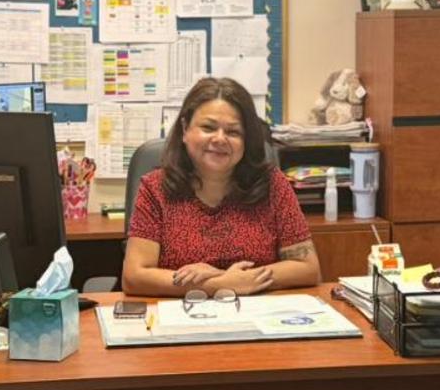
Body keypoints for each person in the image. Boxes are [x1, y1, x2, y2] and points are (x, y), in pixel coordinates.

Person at [122, 77, 321, 297]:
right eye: (208, 127)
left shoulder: (272, 184)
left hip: (256, 316)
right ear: (185, 128)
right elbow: (135, 277)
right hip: (183, 316)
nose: (220, 139)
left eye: (233, 132)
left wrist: (224, 277)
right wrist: (221, 284)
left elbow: (307, 268)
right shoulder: (155, 188)